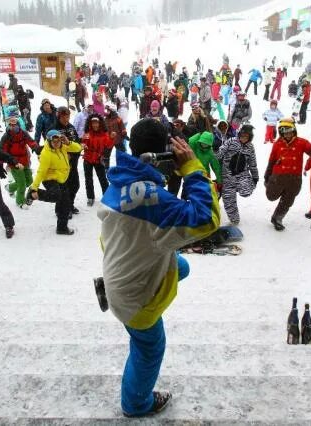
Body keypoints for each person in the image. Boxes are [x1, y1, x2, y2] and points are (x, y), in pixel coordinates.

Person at [97, 118, 220, 418]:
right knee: (149, 348)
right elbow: (206, 219)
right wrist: (192, 170)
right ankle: (136, 404)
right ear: (162, 155)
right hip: (135, 299)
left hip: (121, 268)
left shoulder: (120, 180)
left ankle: (140, 278)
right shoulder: (157, 203)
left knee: (181, 265)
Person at [264, 118, 311, 231]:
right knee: (271, 196)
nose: (288, 134)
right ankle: (272, 189)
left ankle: (277, 218)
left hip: (294, 179)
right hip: (278, 176)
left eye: (290, 131)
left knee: (288, 200)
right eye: (285, 132)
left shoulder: (301, 142)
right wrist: (267, 174)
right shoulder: (277, 144)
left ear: (294, 130)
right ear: (281, 132)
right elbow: (271, 160)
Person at [27, 130, 82, 235]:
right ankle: (33, 193)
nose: (56, 143)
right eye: (54, 141)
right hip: (50, 179)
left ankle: (61, 228)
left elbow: (78, 148)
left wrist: (68, 142)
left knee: (65, 204)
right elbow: (41, 172)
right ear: (49, 141)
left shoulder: (64, 147)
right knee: (56, 195)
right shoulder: (46, 154)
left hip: (62, 179)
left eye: (58, 141)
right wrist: (34, 187)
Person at [217, 125, 258, 225]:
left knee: (245, 192)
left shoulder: (250, 147)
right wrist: (217, 153)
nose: (243, 138)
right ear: (239, 135)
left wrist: (255, 177)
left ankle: (244, 187)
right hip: (228, 176)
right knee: (228, 200)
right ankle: (234, 219)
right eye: (242, 136)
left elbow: (252, 163)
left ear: (250, 137)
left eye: (246, 137)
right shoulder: (231, 141)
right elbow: (220, 152)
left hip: (242, 175)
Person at [0, 114, 40, 209]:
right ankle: (20, 201)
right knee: (22, 184)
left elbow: (31, 142)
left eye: (15, 125)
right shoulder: (6, 137)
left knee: (29, 180)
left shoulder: (23, 133)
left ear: (18, 125)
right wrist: (1, 163)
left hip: (25, 161)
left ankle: (10, 187)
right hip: (14, 163)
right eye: (11, 125)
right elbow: (1, 151)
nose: (13, 127)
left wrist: (37, 148)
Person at [52, 106, 82, 215]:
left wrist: (81, 145)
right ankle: (61, 209)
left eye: (68, 116)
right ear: (58, 117)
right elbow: (51, 148)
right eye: (63, 117)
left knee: (75, 185)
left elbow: (77, 141)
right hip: (61, 165)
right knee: (63, 189)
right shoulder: (54, 129)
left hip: (73, 163)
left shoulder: (71, 127)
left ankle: (69, 205)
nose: (66, 119)